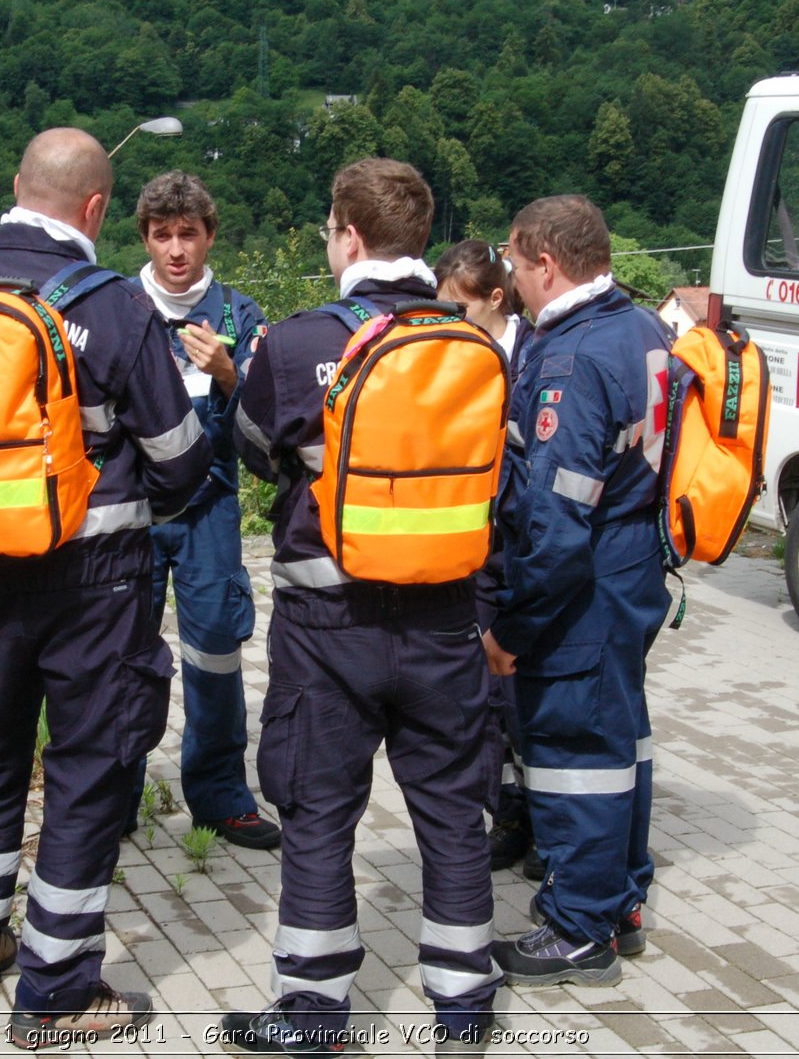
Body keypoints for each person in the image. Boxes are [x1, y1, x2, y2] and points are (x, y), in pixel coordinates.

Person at [0, 128, 212, 1044]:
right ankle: (58, 988)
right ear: (99, 209)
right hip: (94, 580)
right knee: (87, 771)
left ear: (15, 186)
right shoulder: (112, 308)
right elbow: (180, 465)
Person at [224, 159, 502, 1054]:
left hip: (326, 627)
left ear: (346, 235)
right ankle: (465, 1012)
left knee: (316, 814)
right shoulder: (475, 346)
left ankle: (313, 1017)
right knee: (456, 814)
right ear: (420, 240)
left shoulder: (299, 341)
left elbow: (258, 449)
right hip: (446, 622)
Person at [487, 196, 669, 986]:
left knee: (574, 747)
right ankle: (620, 896)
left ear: (546, 263)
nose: (514, 283)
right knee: (621, 731)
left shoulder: (571, 361)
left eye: (517, 267)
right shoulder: (642, 328)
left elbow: (559, 525)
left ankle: (580, 927)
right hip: (631, 563)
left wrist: (513, 629)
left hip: (586, 579)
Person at [128, 170, 279, 850]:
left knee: (216, 649)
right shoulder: (119, 309)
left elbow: (266, 423)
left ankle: (219, 796)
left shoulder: (240, 316)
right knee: (120, 656)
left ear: (210, 235)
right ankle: (113, 798)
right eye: (163, 235)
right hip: (128, 510)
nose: (176, 248)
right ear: (146, 239)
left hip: (210, 507)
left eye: (188, 233)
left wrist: (228, 374)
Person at [433, 242, 537, 874]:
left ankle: (539, 814)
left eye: (458, 306)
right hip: (473, 541)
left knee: (520, 692)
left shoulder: (531, 353)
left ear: (496, 298)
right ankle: (506, 811)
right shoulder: (456, 354)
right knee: (482, 694)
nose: (449, 319)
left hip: (519, 546)